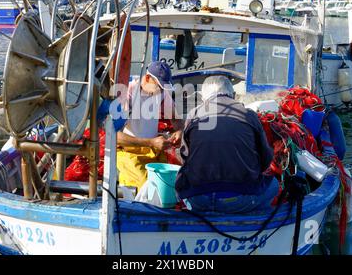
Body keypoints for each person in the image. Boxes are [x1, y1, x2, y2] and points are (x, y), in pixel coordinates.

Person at [175, 76, 278, 213]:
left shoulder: (193, 114)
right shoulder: (249, 115)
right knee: (274, 185)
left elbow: (184, 159)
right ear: (234, 95)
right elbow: (265, 159)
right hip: (239, 200)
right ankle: (255, 222)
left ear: (203, 98)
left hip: (199, 200)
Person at [116, 61, 183, 191]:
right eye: (159, 86)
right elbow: (114, 136)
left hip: (152, 151)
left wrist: (179, 130)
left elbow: (176, 119)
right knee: (146, 187)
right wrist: (151, 142)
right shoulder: (128, 93)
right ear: (147, 78)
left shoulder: (162, 93)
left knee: (168, 183)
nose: (162, 90)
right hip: (128, 152)